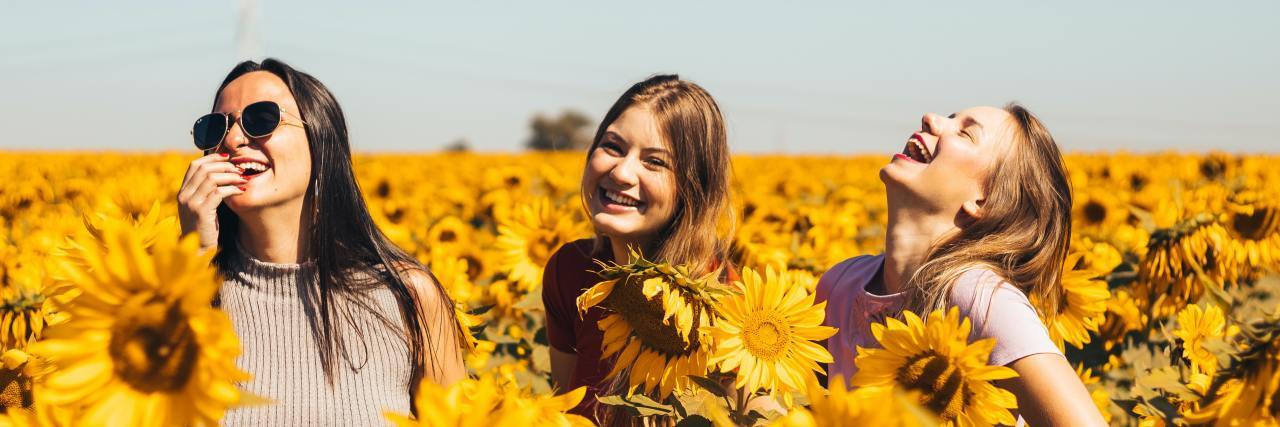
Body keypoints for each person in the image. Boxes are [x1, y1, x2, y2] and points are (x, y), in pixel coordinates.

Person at [177, 58, 466, 425]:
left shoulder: (408, 296)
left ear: (320, 142)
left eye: (261, 118)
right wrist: (190, 263)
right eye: (214, 128)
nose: (233, 139)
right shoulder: (166, 302)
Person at [816, 105, 1106, 425]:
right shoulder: (840, 283)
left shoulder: (980, 298)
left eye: (966, 133)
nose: (931, 118)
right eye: (950, 117)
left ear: (984, 202)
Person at [541, 74, 738, 421]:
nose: (622, 172)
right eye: (613, 147)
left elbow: (751, 414)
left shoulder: (723, 299)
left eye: (655, 162)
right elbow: (564, 409)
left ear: (693, 188)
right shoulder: (570, 271)